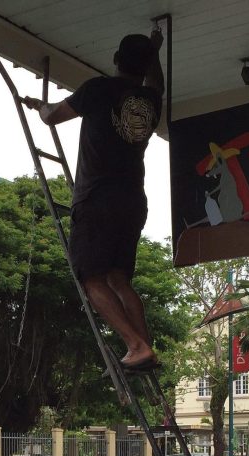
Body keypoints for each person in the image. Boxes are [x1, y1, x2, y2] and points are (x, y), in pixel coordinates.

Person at [22, 28, 164, 371]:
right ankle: (144, 348)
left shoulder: (98, 89)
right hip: (132, 202)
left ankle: (135, 344)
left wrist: (40, 107)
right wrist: (155, 51)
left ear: (116, 59)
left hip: (97, 199)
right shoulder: (151, 99)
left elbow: (53, 117)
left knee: (91, 278)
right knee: (119, 279)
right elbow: (156, 80)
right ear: (145, 67)